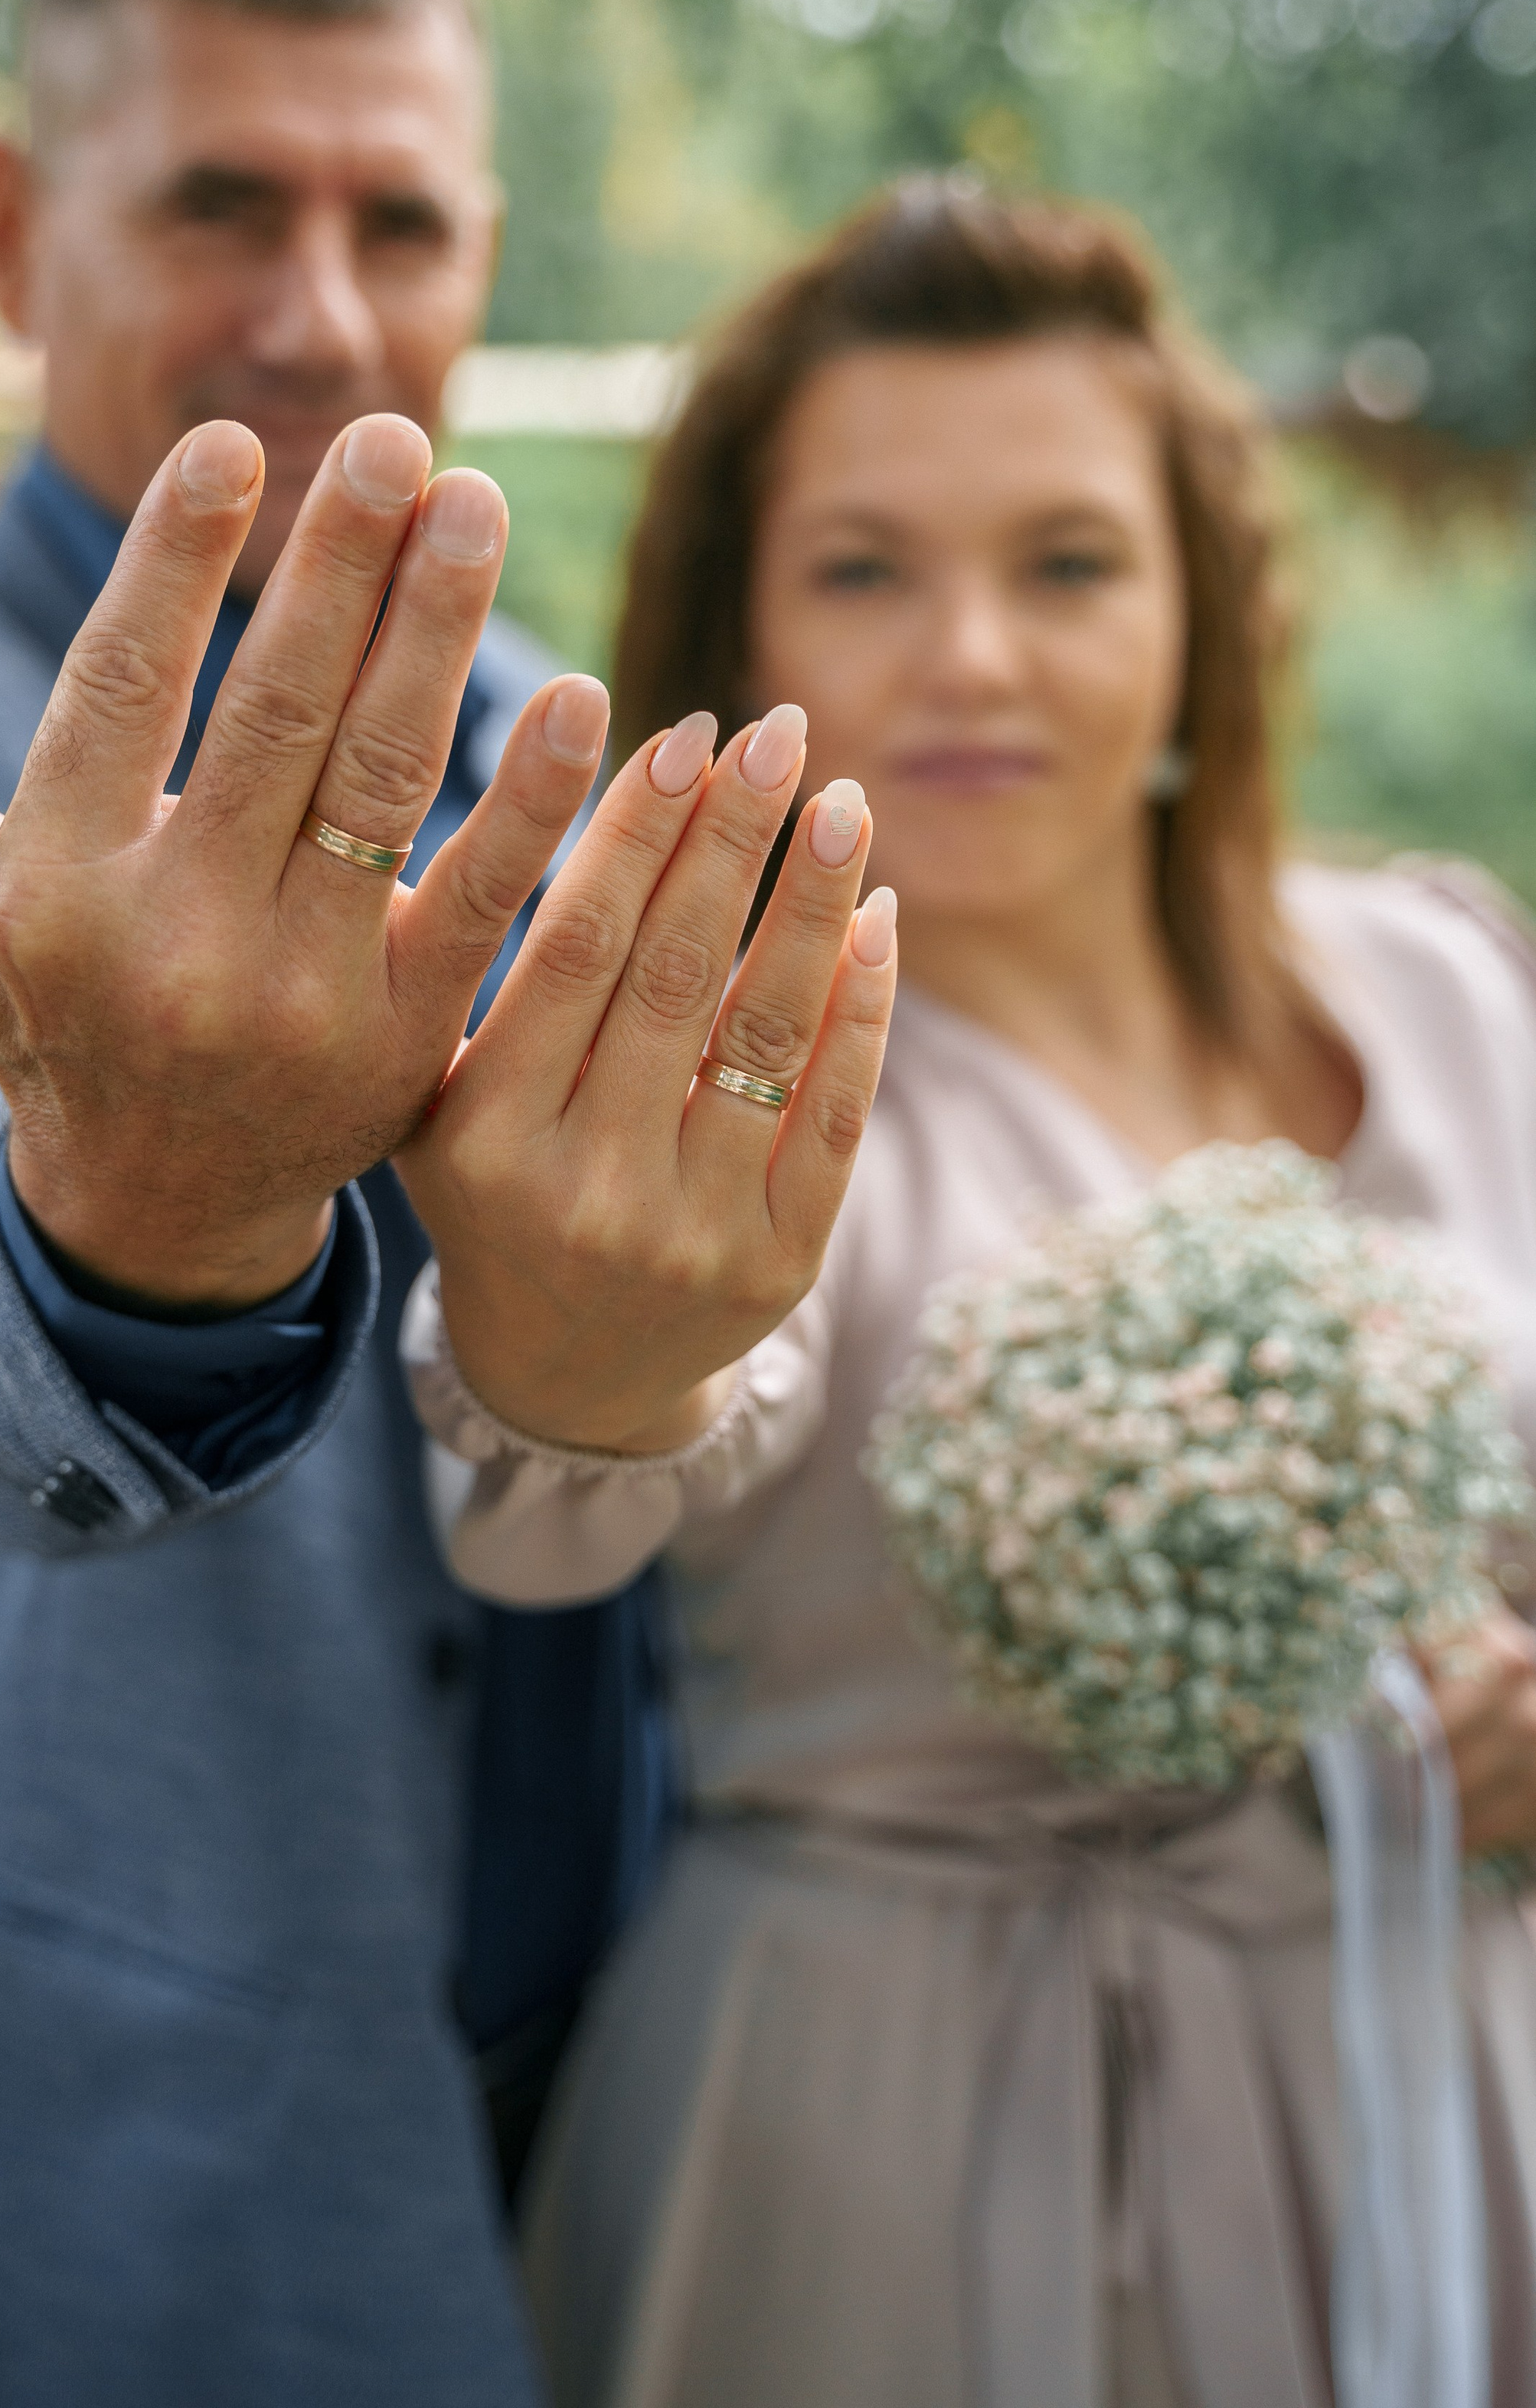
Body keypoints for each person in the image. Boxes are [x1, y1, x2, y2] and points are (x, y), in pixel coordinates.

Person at [0, 0, 897, 2406]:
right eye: (222, 197)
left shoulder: (584, 746)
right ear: (14, 231)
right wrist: (134, 1216)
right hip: (118, 2116)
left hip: (641, 2070)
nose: (322, 307)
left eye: (405, 219)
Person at [403, 179, 1536, 2408]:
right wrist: (558, 1350)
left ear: (1199, 607)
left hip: (1448, 2090)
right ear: (746, 620)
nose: (976, 656)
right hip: (887, 2157)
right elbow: (601, 1416)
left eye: (1069, 563)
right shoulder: (706, 1067)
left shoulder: (1445, 977)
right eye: (865, 569)